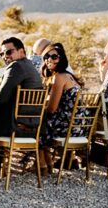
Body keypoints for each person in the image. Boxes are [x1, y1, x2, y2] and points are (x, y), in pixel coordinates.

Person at [0, 37, 44, 175]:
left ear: (21, 51)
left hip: (13, 127)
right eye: (2, 54)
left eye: (9, 52)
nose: (5, 57)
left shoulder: (16, 66)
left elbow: (0, 98)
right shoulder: (31, 67)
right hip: (31, 127)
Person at [37, 43, 86, 173]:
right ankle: (47, 164)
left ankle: (42, 165)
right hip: (79, 127)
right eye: (46, 56)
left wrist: (39, 108)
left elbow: (52, 108)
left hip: (68, 128)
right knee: (43, 121)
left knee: (35, 124)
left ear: (61, 58)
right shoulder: (69, 75)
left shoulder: (59, 77)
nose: (49, 59)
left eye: (54, 56)